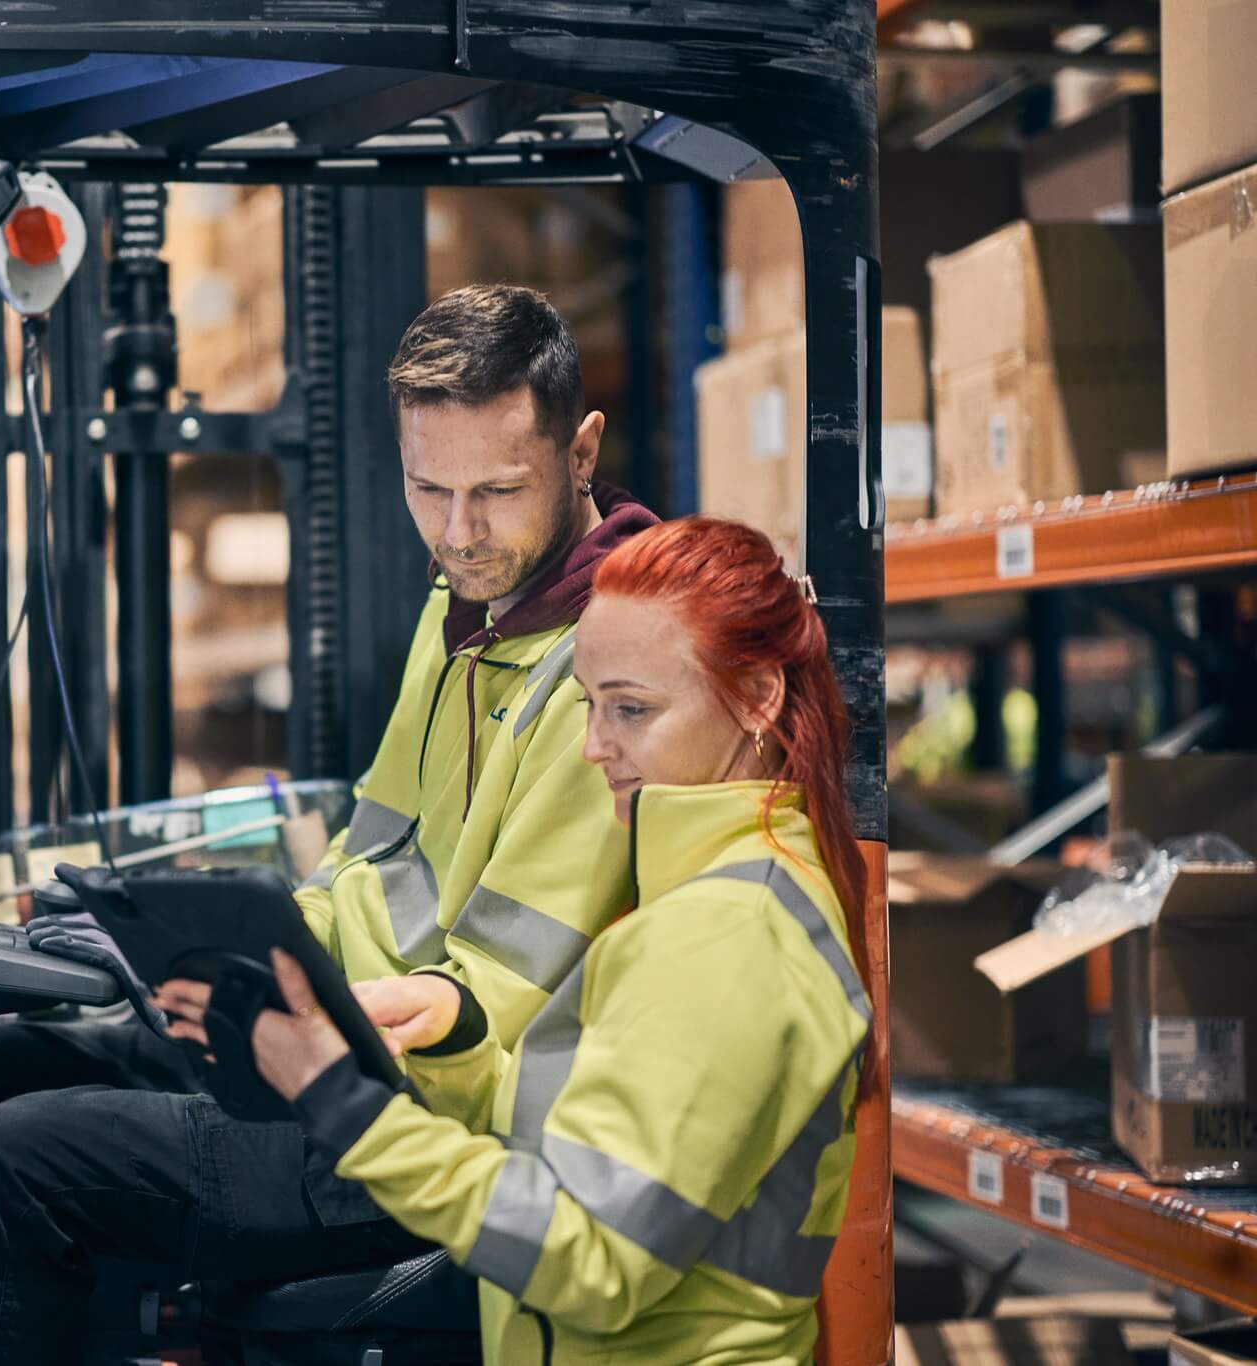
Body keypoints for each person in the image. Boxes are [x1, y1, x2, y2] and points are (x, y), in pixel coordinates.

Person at [0, 285, 657, 1365]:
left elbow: (494, 996)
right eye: (426, 487)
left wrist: (324, 1020)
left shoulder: (614, 671)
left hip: (432, 1127)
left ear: (580, 452)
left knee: (14, 1159)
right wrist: (207, 944)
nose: (456, 531)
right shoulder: (467, 609)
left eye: (495, 490)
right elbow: (367, 858)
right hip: (345, 1045)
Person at [249, 516, 874, 1366]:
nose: (593, 747)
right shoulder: (715, 894)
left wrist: (351, 1113)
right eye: (590, 704)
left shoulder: (727, 934)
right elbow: (593, 1158)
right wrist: (460, 1036)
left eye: (632, 709)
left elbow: (589, 1257)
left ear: (759, 698)